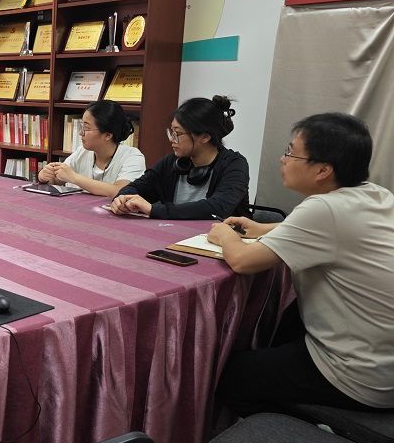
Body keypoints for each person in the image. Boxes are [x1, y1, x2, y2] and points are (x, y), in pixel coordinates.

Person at [209, 113, 394, 416]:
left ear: (322, 170)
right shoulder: (375, 194)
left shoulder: (323, 207)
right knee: (284, 325)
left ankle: (281, 431)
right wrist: (262, 229)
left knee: (231, 374)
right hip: (384, 360)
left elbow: (242, 261)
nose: (282, 159)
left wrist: (225, 235)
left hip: (358, 373)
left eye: (290, 152)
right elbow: (331, 232)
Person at [109, 95, 250, 219]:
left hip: (222, 237)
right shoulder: (172, 162)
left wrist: (154, 210)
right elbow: (137, 187)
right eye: (171, 132)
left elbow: (217, 208)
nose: (172, 139)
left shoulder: (235, 165)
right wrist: (123, 199)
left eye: (178, 133)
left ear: (205, 136)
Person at [37, 100, 146, 197]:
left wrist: (74, 178)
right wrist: (46, 175)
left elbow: (120, 191)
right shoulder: (82, 151)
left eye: (86, 128)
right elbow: (59, 179)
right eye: (82, 126)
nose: (81, 133)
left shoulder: (133, 157)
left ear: (108, 135)